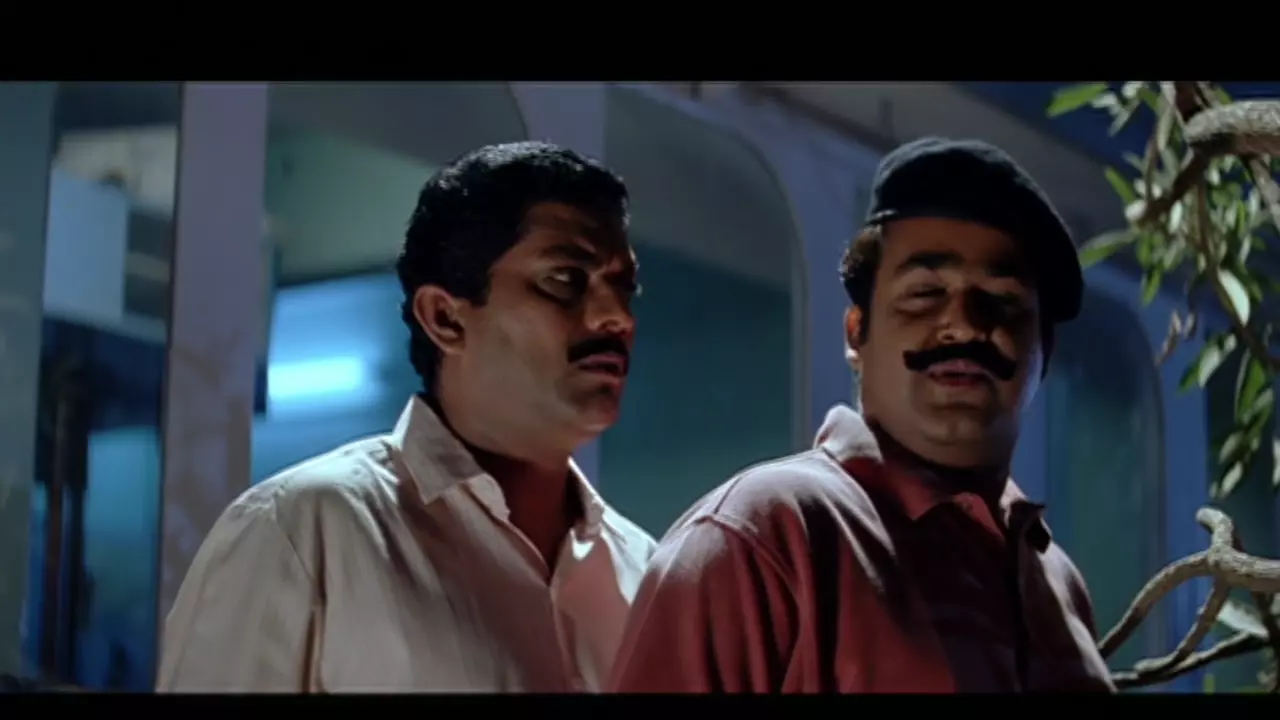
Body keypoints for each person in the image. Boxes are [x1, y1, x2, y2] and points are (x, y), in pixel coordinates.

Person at [609, 137, 1116, 693]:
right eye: (925, 293)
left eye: (1002, 300)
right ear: (857, 333)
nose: (964, 325)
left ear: (1045, 350)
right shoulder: (763, 539)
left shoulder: (1056, 580)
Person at [158, 141, 657, 692]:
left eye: (624, 287)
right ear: (445, 318)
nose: (616, 317)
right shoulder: (306, 528)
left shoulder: (647, 574)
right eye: (564, 280)